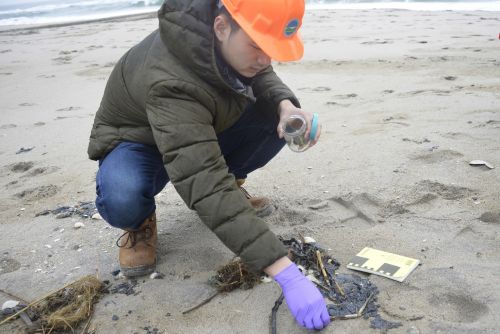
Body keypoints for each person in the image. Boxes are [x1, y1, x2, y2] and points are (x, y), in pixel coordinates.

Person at [87, 0, 329, 330]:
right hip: (137, 141)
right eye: (257, 45)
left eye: (270, 48)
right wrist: (285, 272)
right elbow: (203, 179)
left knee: (276, 119)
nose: (264, 58)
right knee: (123, 197)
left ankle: (233, 180)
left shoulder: (227, 36)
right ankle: (140, 222)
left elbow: (261, 73)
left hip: (195, 125)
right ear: (220, 28)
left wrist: (286, 107)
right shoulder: (171, 80)